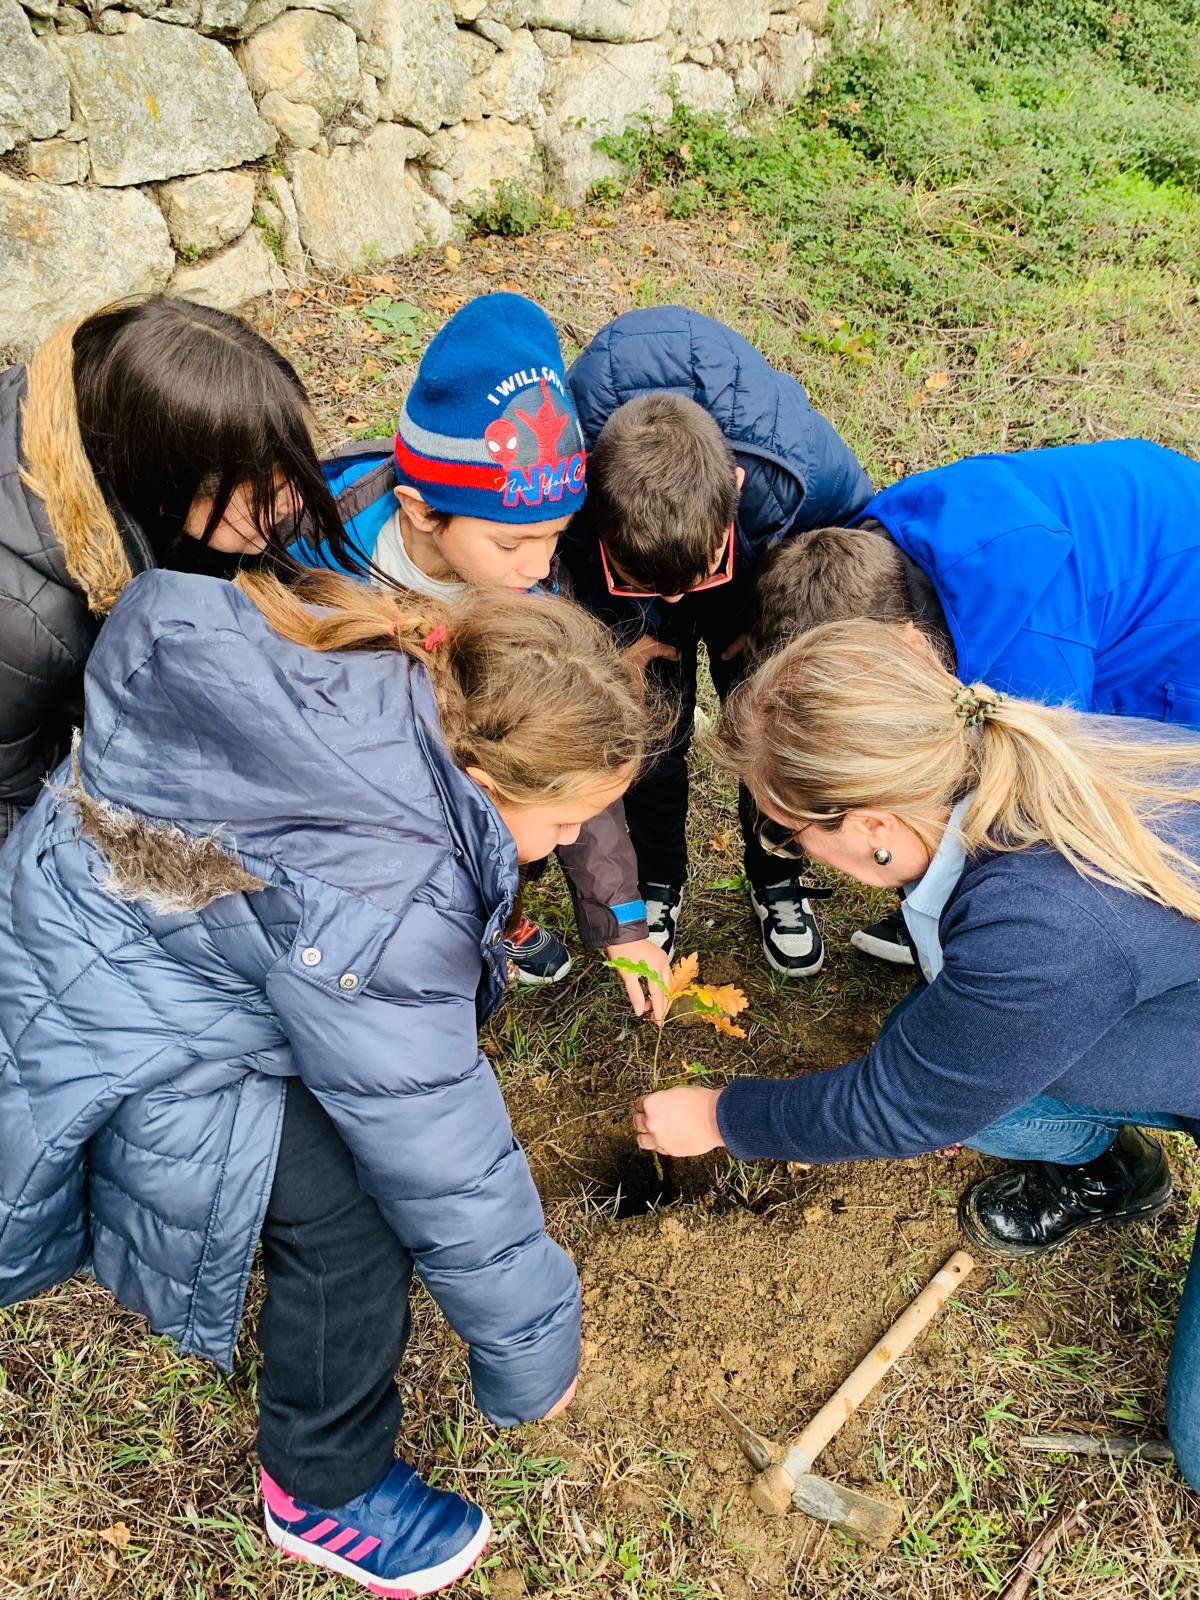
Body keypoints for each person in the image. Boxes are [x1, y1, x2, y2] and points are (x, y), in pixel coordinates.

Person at [0, 566, 654, 1597]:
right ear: (487, 778)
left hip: (97, 938)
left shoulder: (386, 677)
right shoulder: (395, 897)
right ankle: (322, 1488)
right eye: (568, 821)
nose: (571, 843)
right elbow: (437, 1154)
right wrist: (534, 1350)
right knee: (353, 1216)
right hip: (132, 1039)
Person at [633, 619, 1200, 1487]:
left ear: (874, 824)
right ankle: (1115, 1174)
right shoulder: (1018, 763)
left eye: (786, 836)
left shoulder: (1044, 924)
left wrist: (720, 1115)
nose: (787, 851)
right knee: (934, 1049)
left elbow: (896, 1107)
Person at [300, 292, 671, 1015]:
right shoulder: (315, 551)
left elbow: (570, 753)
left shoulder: (531, 588)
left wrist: (621, 921)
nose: (539, 566)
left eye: (556, 535)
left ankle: (499, 914)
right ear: (420, 510)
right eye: (510, 542)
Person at [746, 438, 1200, 964]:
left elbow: (1040, 795)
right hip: (1135, 521)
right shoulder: (864, 550)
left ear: (910, 642)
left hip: (1178, 625)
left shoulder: (1032, 668)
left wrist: (970, 916)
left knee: (1131, 791)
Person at [560, 304, 874, 976]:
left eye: (693, 580)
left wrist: (774, 625)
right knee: (648, 729)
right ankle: (657, 880)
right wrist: (616, 635)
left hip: (751, 580)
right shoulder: (563, 475)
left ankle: (777, 877)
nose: (679, 601)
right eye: (660, 587)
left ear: (736, 486)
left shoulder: (792, 460)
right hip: (626, 591)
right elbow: (558, 561)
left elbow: (856, 538)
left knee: (771, 727)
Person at [0, 294, 367, 849]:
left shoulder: (110, 409)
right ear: (166, 485)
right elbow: (13, 792)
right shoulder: (30, 620)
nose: (293, 504)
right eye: (263, 496)